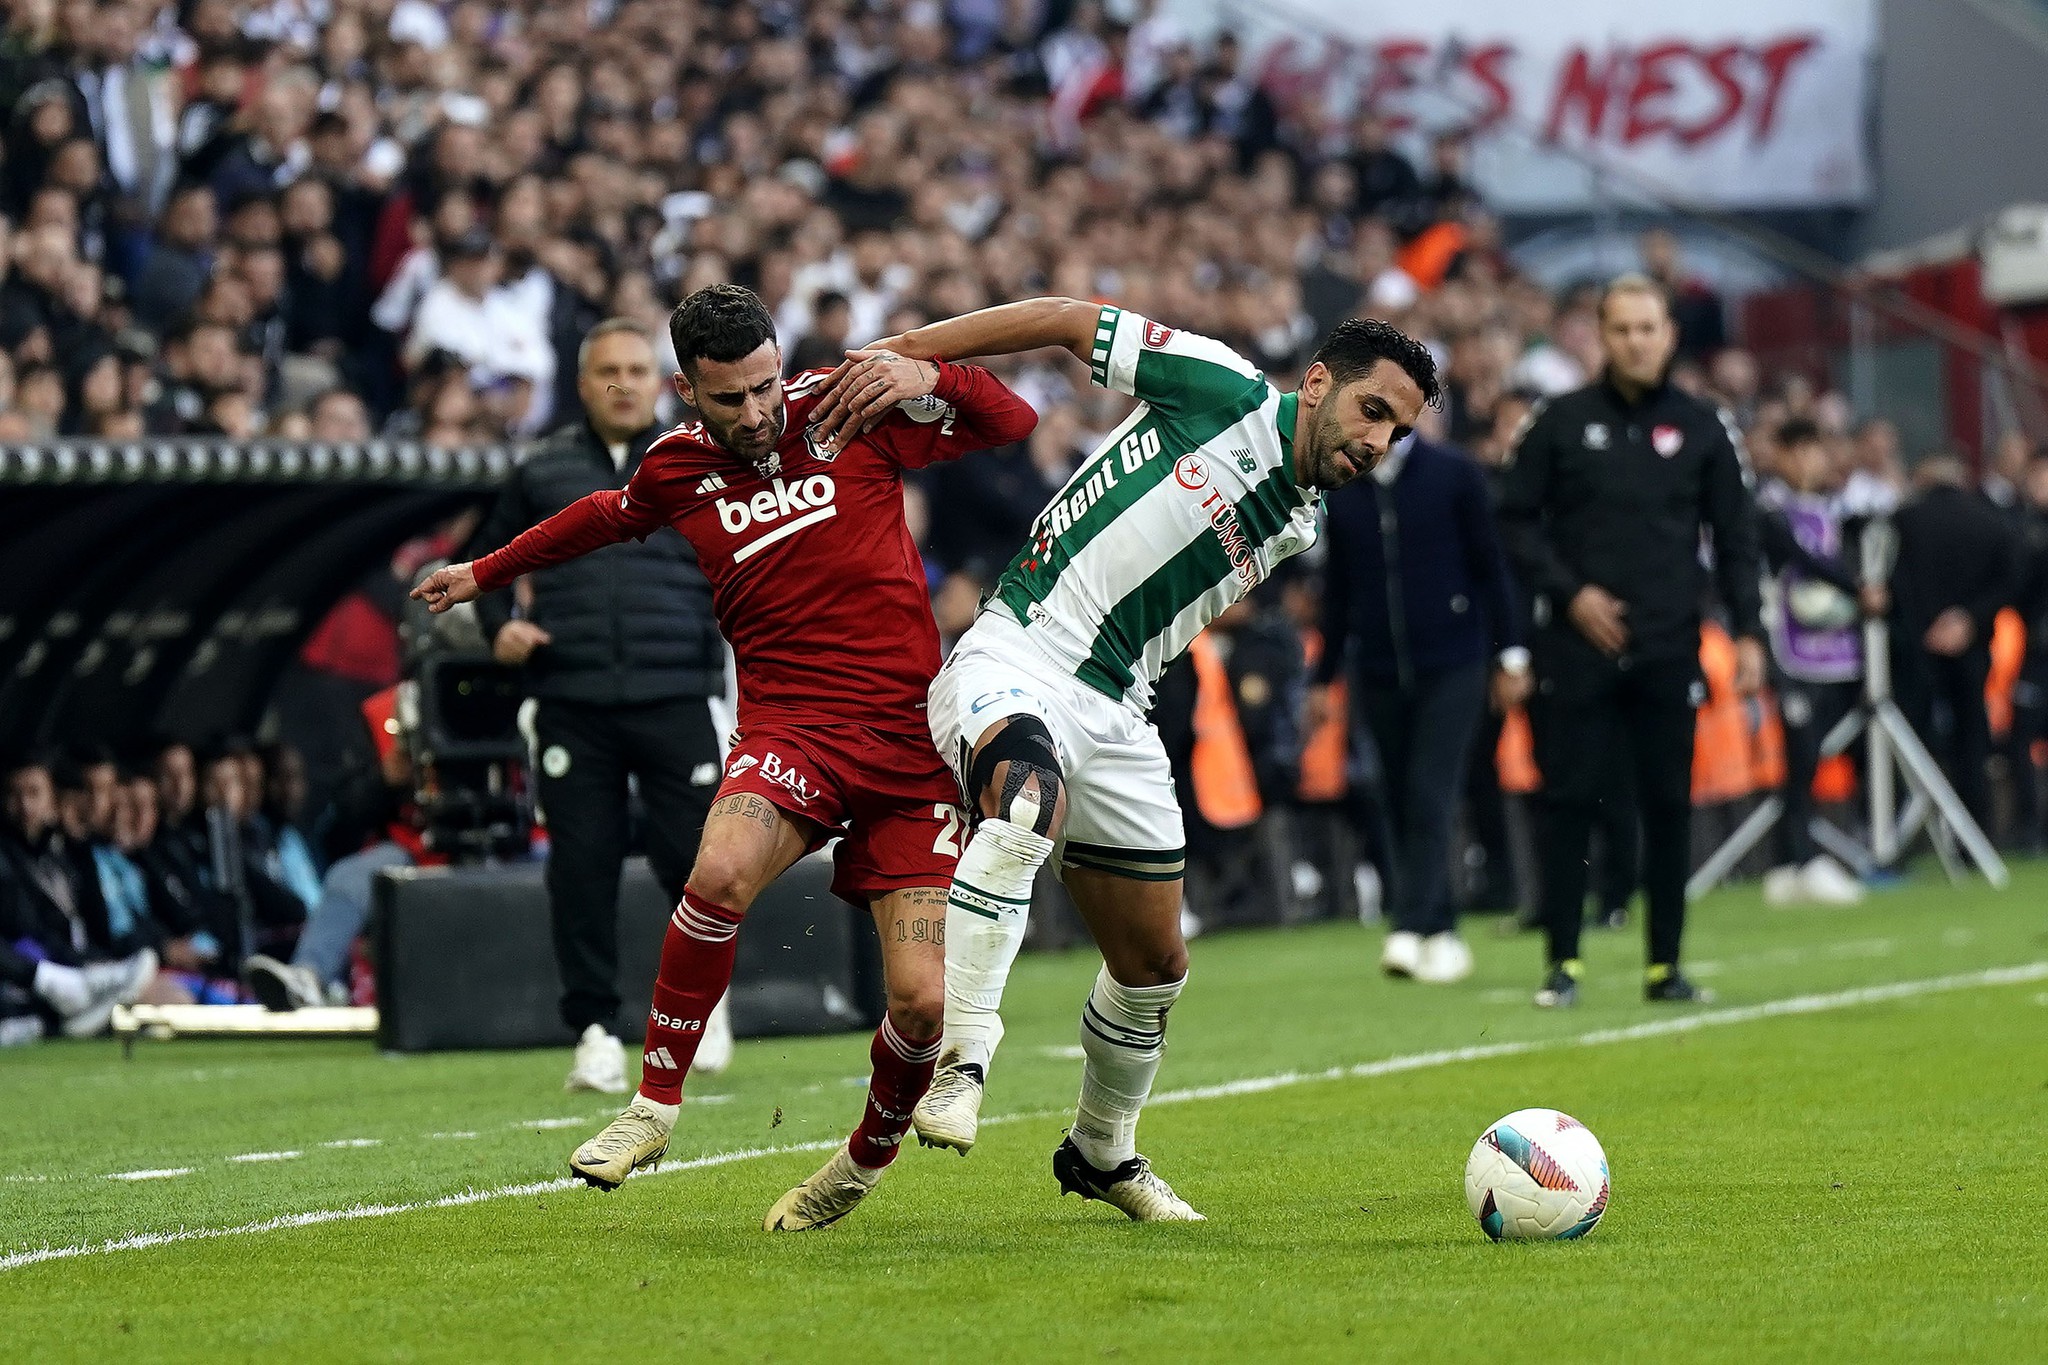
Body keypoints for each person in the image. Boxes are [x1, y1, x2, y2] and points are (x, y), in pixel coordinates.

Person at [413, 283, 1037, 1231]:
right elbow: (600, 517)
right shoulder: (673, 469)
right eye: (731, 398)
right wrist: (483, 573)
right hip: (793, 731)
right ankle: (653, 1105)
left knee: (918, 1008)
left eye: (765, 386)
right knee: (718, 869)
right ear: (685, 391)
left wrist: (927, 370)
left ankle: (858, 1165)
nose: (757, 414)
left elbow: (1012, 418)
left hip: (911, 745)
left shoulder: (847, 406)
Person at [812, 300, 1438, 1220]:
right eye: (1373, 411)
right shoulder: (1217, 384)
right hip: (1020, 646)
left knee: (1155, 966)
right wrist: (917, 358)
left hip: (1116, 710)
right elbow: (1068, 320)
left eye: (1400, 430)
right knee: (1024, 802)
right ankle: (965, 1053)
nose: (1379, 441)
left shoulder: (1302, 518)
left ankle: (1102, 1152)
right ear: (1316, 384)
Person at [464, 317, 731, 1095]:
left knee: (699, 865)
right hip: (571, 697)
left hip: (678, 692)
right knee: (580, 870)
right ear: (581, 383)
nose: (622, 382)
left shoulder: (700, 462)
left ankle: (704, 1012)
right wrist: (496, 624)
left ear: (664, 383)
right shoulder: (540, 469)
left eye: (636, 369)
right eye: (607, 369)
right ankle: (593, 1029)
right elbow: (485, 554)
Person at [1496, 274, 1765, 1009]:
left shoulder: (1706, 425)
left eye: (1647, 328)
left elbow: (1738, 537)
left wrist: (1748, 633)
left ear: (1670, 334)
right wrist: (1571, 592)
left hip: (1668, 641)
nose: (1635, 341)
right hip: (1578, 645)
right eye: (1620, 328)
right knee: (1570, 797)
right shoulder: (1557, 421)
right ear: (1600, 335)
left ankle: (1665, 965)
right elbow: (1512, 518)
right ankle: (1562, 962)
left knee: (1669, 802)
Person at [1311, 430, 1526, 983]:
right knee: (1397, 794)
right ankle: (1441, 927)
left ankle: (1407, 924)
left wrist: (1511, 653)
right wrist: (1324, 673)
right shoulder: (1347, 487)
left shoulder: (1455, 473)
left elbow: (1489, 565)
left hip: (1455, 661)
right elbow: (1338, 591)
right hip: (1379, 666)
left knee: (1431, 789)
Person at [1756, 418, 1882, 905]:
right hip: (1792, 651)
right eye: (1801, 451)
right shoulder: (1770, 510)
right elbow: (1802, 559)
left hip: (1838, 650)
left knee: (1831, 754)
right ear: (1783, 456)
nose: (1812, 461)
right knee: (1801, 756)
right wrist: (1857, 587)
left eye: (1817, 451)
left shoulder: (1832, 508)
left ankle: (1807, 857)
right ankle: (1799, 859)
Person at [1890, 454, 2024, 831]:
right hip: (1973, 645)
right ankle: (1976, 829)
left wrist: (1926, 626)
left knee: (1910, 737)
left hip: (1916, 649)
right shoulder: (1992, 522)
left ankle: (1907, 830)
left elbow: (1894, 581)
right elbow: (2011, 582)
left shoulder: (1905, 520)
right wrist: (1967, 619)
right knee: (1972, 740)